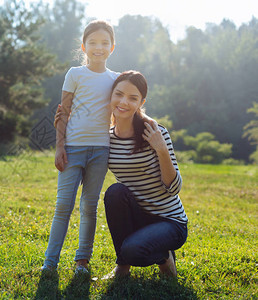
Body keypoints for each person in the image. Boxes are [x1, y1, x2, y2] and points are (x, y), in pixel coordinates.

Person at [42, 19, 118, 273]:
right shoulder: (74, 74)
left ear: (112, 47)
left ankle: (81, 261)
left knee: (89, 206)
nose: (99, 47)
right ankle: (50, 262)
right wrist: (59, 147)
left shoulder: (115, 80)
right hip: (72, 149)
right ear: (83, 46)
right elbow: (62, 114)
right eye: (93, 42)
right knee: (63, 206)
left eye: (104, 43)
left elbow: (123, 112)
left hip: (101, 151)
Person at [103, 70, 188, 278]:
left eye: (133, 98)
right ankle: (122, 267)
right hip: (138, 216)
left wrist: (161, 149)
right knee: (115, 192)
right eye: (119, 94)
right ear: (111, 95)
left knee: (133, 251)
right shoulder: (107, 139)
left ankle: (165, 257)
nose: (124, 102)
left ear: (141, 102)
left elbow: (174, 188)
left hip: (169, 221)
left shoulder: (155, 132)